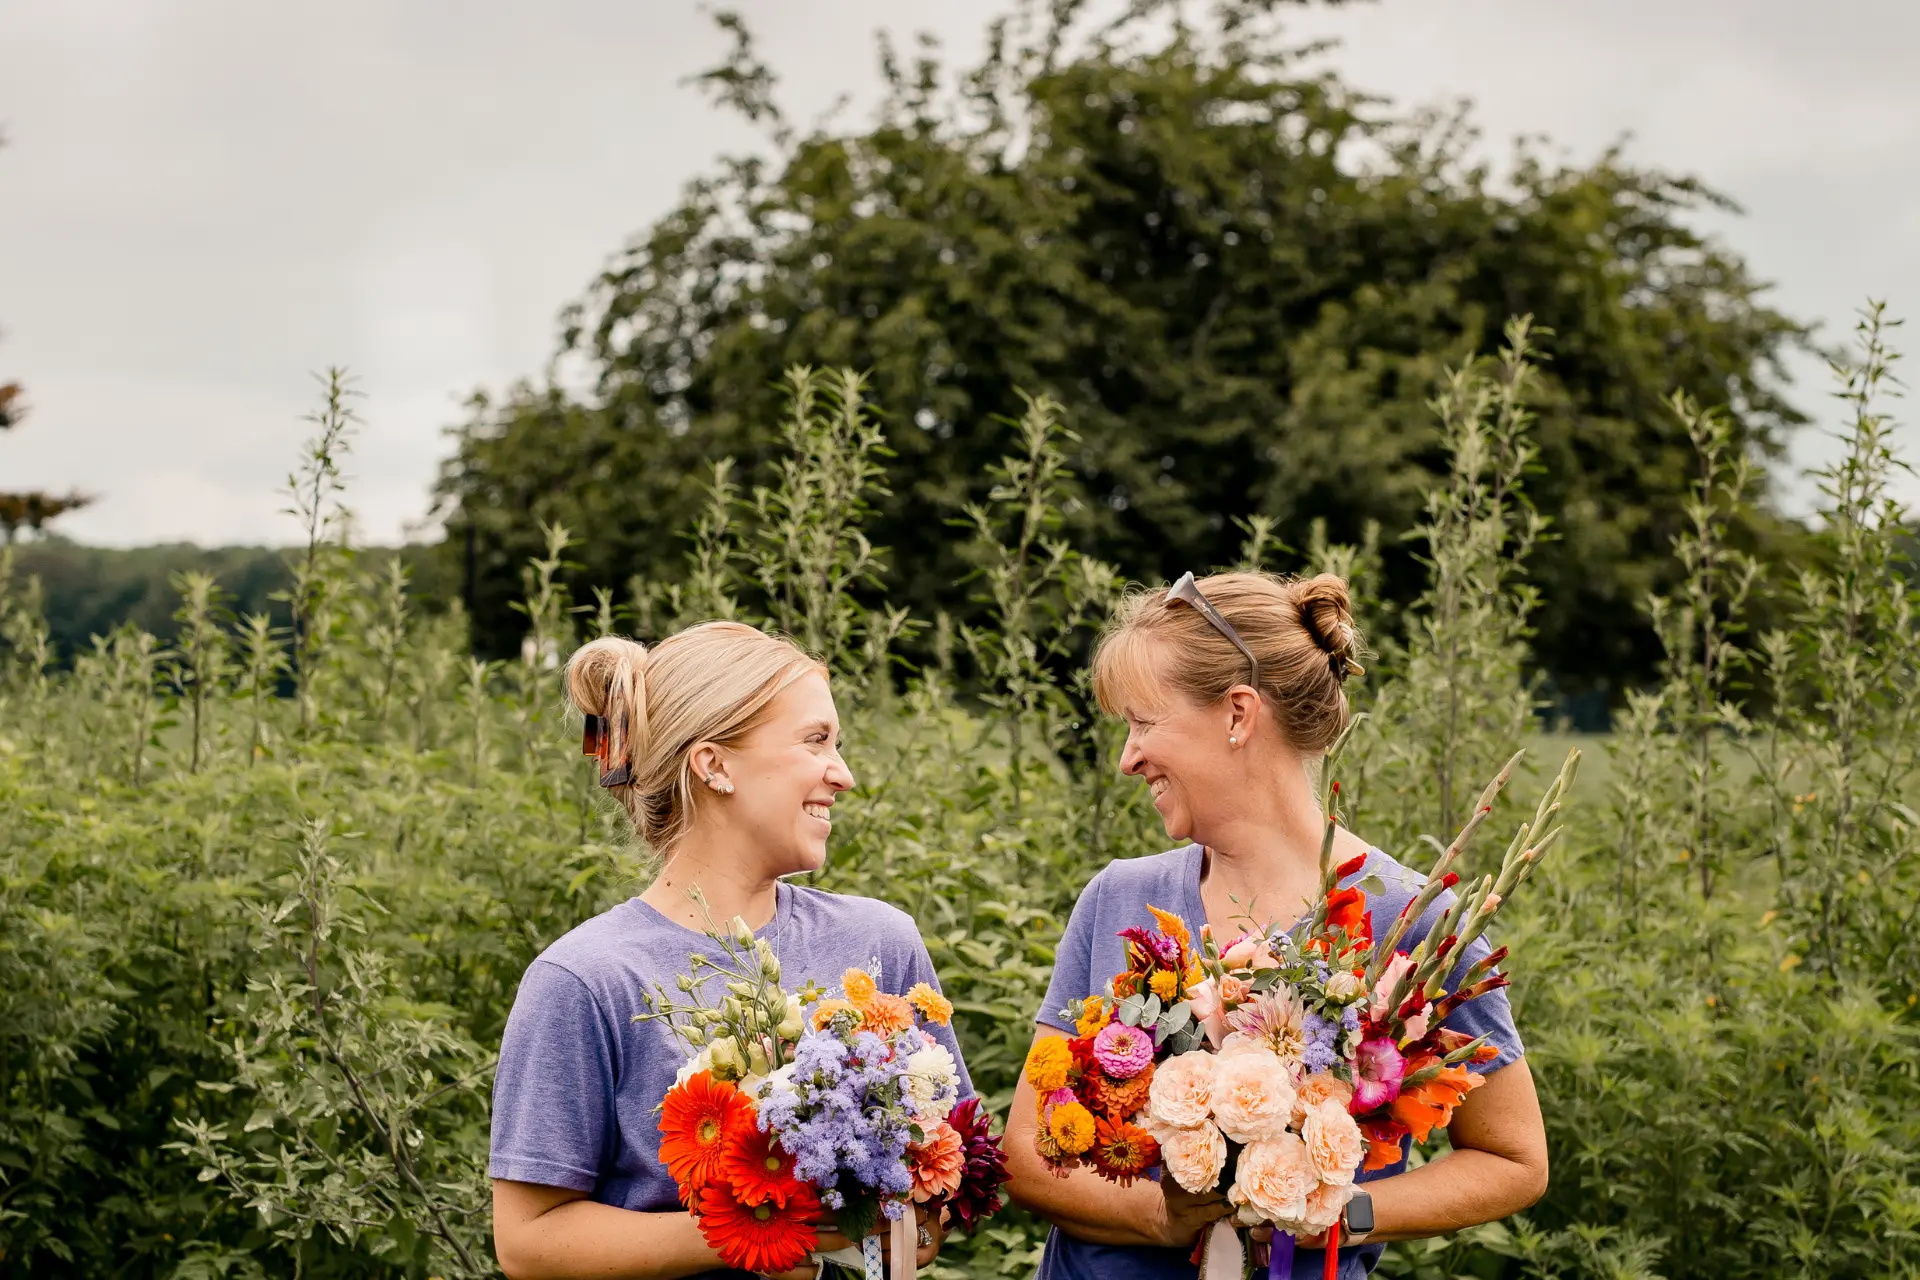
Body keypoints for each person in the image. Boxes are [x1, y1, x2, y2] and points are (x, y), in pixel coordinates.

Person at [1004, 572, 1547, 1279]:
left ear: (1237, 714)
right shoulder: (1119, 898)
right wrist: (1167, 1220)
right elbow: (1026, 1151)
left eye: (1144, 723)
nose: (1127, 757)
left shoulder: (1411, 924)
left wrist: (1339, 1210)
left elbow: (1513, 1159)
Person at [490, 622, 969, 1280]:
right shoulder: (585, 979)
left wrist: (906, 1217)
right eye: (816, 742)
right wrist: (762, 1229)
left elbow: (939, 1190)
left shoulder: (879, 944)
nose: (844, 776)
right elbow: (528, 1242)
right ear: (714, 764)